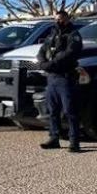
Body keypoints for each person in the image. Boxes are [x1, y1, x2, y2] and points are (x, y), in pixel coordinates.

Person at [37, 10, 83, 153]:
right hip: (52, 78)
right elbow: (41, 51)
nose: (59, 21)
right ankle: (54, 138)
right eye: (56, 19)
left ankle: (74, 142)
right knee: (52, 111)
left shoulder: (73, 35)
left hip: (65, 77)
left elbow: (70, 53)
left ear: (67, 19)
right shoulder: (52, 34)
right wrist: (42, 63)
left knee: (70, 111)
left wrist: (52, 63)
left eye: (61, 19)